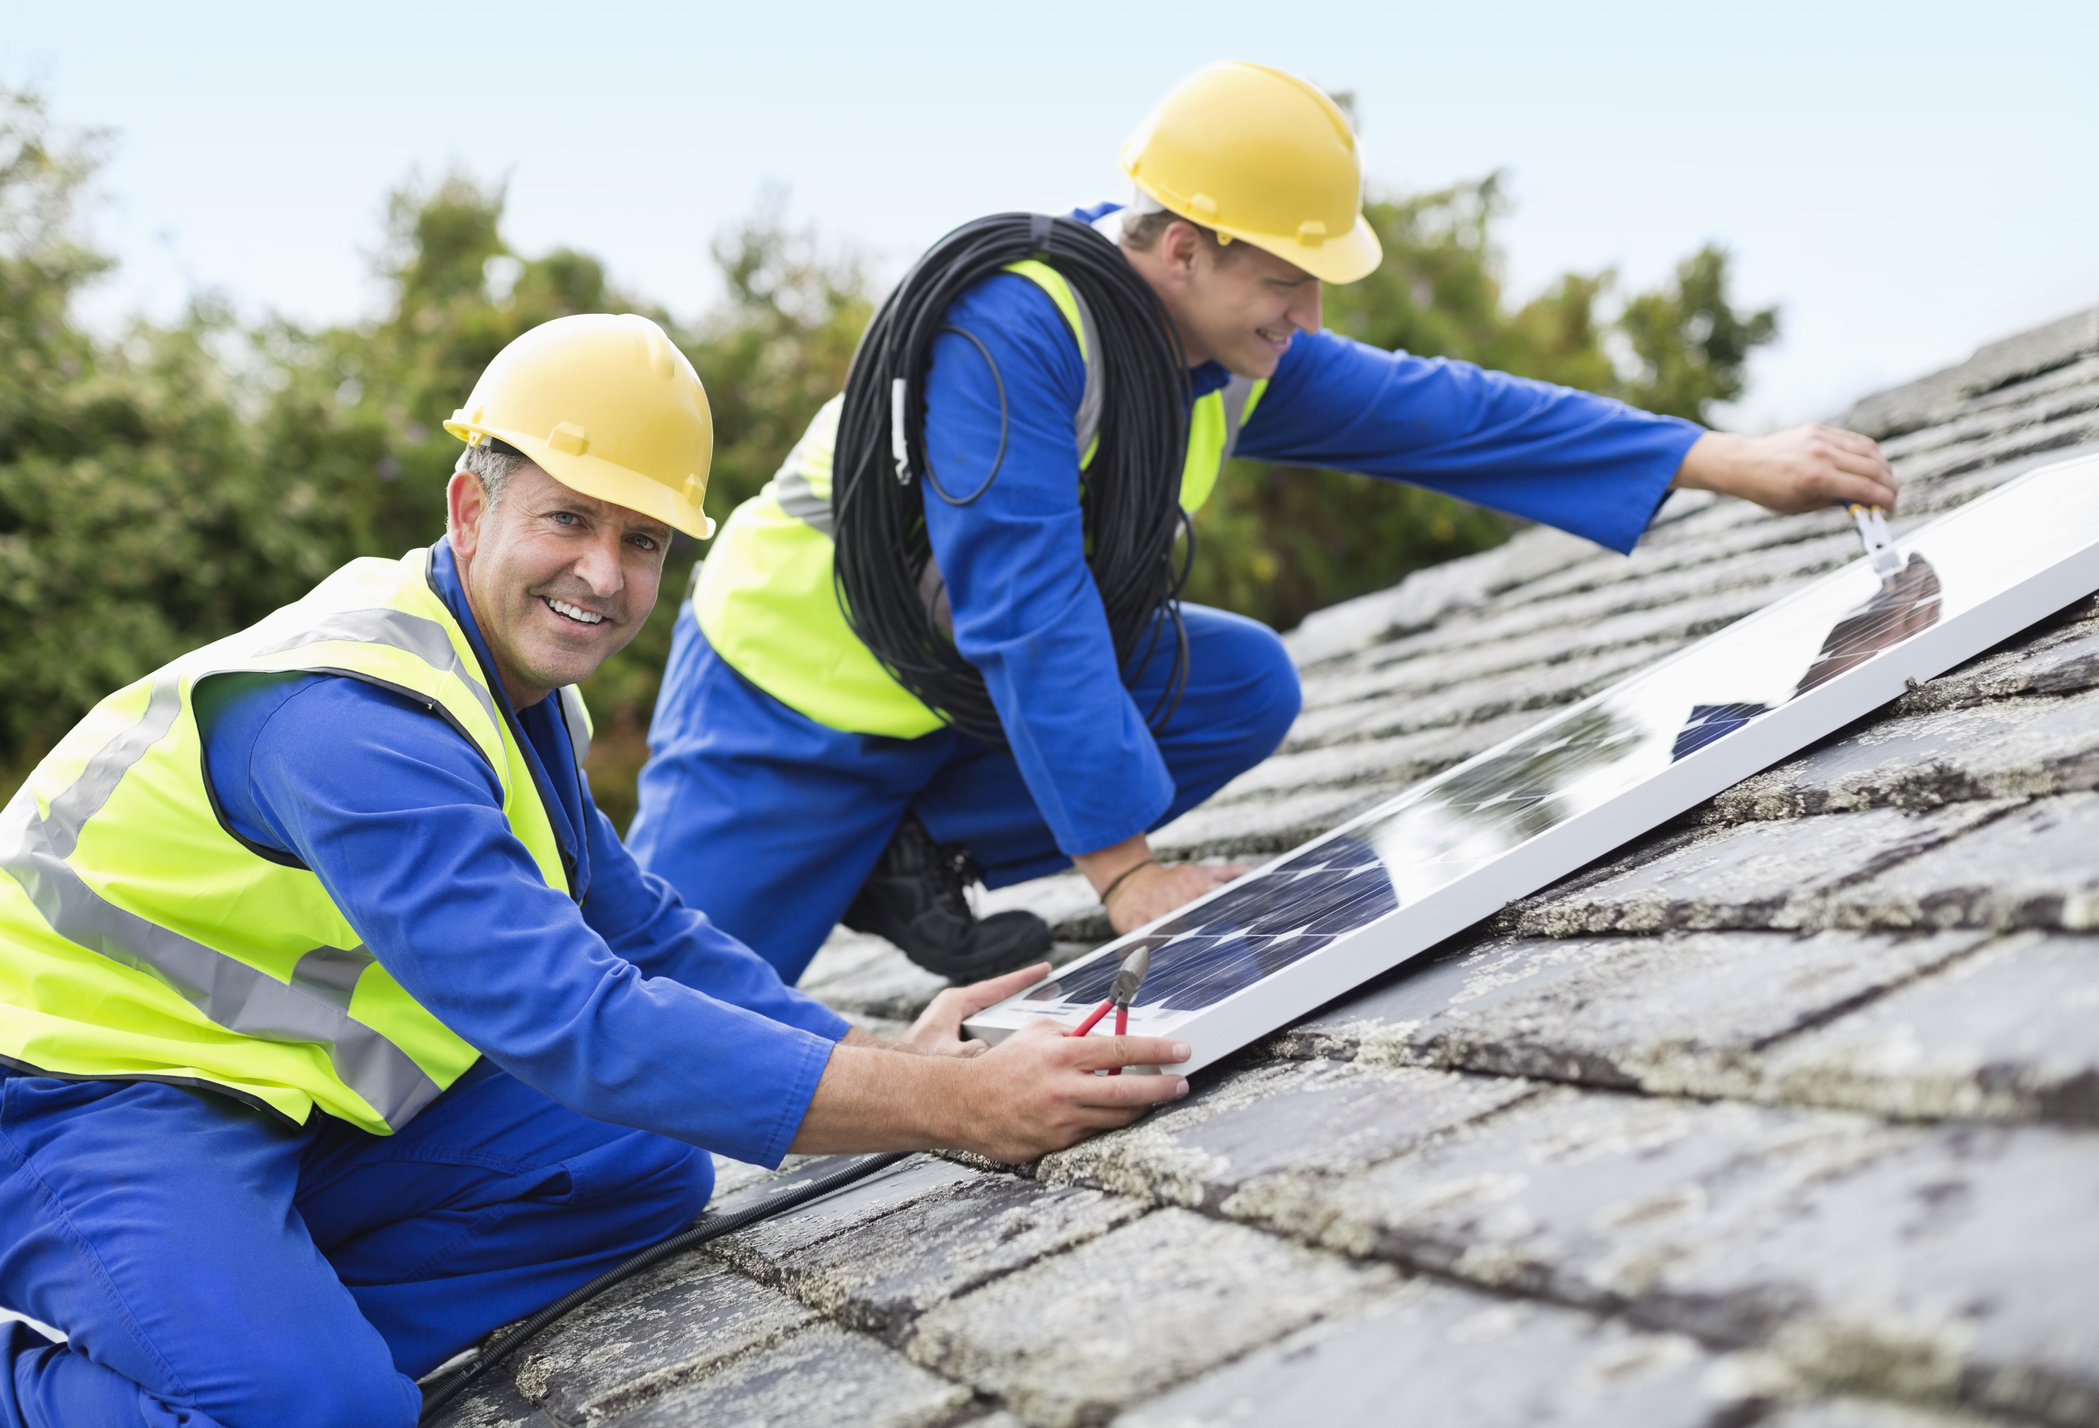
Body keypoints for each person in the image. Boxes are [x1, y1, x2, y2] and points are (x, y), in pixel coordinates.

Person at [0, 314, 1183, 1428]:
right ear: (470, 508)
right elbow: (575, 1019)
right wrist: (958, 1109)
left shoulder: (504, 692)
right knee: (332, 1413)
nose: (604, 575)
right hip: (77, 1103)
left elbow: (643, 933)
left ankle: (252, 1341)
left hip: (263, 1105)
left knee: (638, 1166)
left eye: (641, 540)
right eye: (568, 519)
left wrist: (887, 1058)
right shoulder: (355, 729)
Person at [626, 61, 1899, 984]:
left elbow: (1448, 412)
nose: (1308, 318)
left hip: (948, 713)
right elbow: (1024, 601)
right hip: (784, 711)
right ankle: (856, 847)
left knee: (1236, 684)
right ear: (1184, 248)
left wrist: (1726, 459)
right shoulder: (1016, 326)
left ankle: (903, 847)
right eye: (1287, 280)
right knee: (648, 1026)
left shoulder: (1228, 353)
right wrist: (1125, 873)